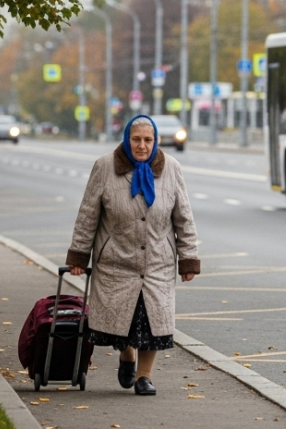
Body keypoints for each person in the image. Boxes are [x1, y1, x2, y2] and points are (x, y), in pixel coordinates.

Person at [66, 116, 200, 397]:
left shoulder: (171, 169)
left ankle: (144, 375)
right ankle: (126, 355)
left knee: (151, 321)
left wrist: (188, 259)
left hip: (157, 262)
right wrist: (79, 256)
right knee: (123, 321)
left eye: (148, 140)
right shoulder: (105, 167)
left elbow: (184, 218)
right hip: (116, 260)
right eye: (136, 139)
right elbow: (88, 214)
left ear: (156, 141)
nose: (142, 145)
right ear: (127, 139)